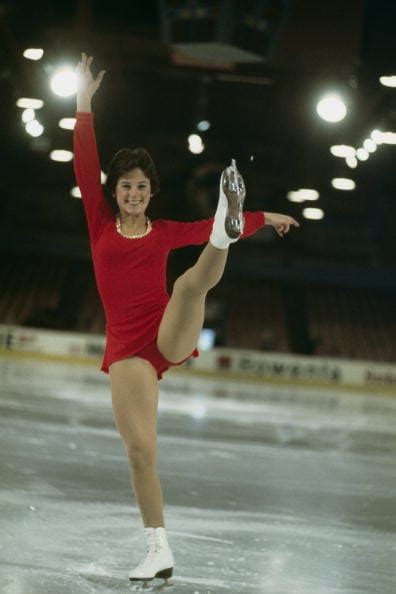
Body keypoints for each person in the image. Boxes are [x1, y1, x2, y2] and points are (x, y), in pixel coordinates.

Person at [73, 52, 299, 584]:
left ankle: (228, 227)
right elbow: (85, 163)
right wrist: (84, 103)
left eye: (142, 188)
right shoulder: (100, 224)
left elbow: (190, 233)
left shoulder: (165, 230)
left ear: (151, 194)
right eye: (125, 186)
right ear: (116, 192)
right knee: (140, 450)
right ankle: (158, 549)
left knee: (189, 282)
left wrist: (263, 218)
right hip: (130, 353)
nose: (133, 194)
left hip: (167, 333)